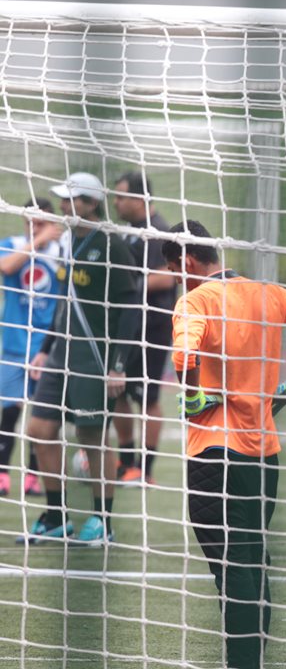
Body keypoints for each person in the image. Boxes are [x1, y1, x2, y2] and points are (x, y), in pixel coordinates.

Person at [164, 219, 286, 669]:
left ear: (186, 261)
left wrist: (191, 396)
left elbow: (184, 356)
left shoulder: (195, 299)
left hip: (213, 454)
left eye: (171, 268)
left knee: (232, 571)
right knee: (251, 561)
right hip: (264, 455)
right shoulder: (269, 293)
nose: (172, 278)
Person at [20, 172, 140, 545]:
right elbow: (64, 303)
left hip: (94, 357)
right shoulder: (67, 241)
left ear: (90, 203)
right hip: (60, 354)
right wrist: (44, 350)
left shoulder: (110, 244)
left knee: (92, 436)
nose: (62, 206)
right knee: (39, 429)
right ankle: (57, 515)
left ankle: (103, 520)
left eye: (70, 200)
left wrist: (118, 364)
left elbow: (130, 307)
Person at [110, 171, 176, 484]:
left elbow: (169, 276)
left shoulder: (160, 232)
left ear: (140, 199)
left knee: (147, 398)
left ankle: (145, 470)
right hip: (125, 324)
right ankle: (125, 463)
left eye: (121, 196)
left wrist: (127, 285)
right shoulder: (125, 232)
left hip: (153, 325)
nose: (116, 202)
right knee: (118, 391)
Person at [0, 198, 64, 497]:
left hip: (46, 348)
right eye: (31, 221)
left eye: (42, 222)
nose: (35, 226)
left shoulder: (61, 253)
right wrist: (38, 240)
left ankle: (34, 478)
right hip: (14, 345)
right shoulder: (11, 244)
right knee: (8, 413)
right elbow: (6, 267)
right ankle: (2, 475)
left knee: (42, 418)